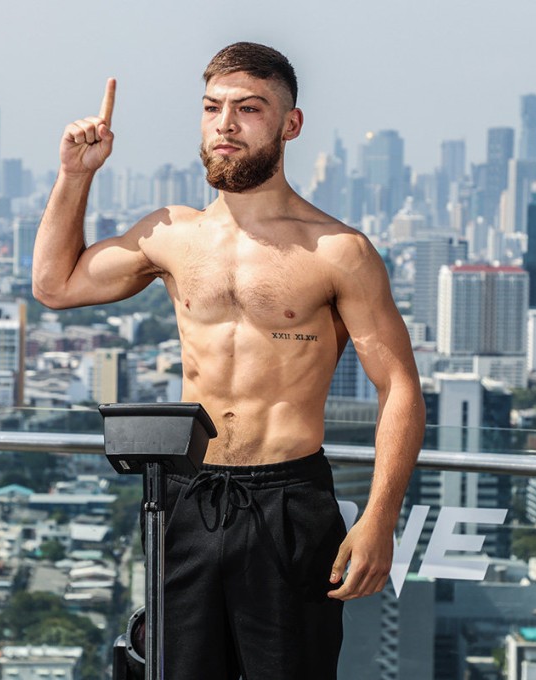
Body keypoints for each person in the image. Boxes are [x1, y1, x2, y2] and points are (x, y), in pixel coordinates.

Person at [33, 41, 425, 680]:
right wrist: (76, 175)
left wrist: (380, 519)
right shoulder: (171, 233)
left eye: (249, 108)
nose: (226, 124)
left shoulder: (339, 251)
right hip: (185, 495)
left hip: (290, 500)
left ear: (289, 125)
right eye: (213, 107)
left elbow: (400, 388)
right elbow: (56, 286)